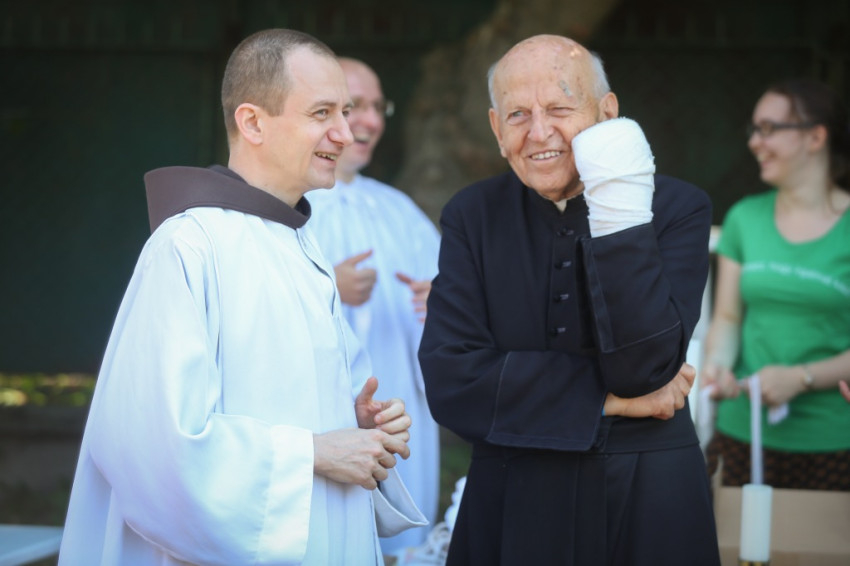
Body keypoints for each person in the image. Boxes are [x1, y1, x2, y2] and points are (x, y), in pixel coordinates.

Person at [58, 29, 426, 566]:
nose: (346, 134)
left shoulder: (300, 243)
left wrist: (356, 423)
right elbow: (155, 441)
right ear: (252, 122)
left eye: (345, 113)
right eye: (322, 113)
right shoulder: (189, 246)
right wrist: (314, 452)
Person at [418, 34, 719, 566]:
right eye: (518, 115)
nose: (539, 133)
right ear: (496, 129)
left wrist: (618, 202)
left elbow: (645, 368)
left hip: (647, 491)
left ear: (608, 114)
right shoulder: (472, 214)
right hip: (512, 490)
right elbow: (452, 384)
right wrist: (611, 401)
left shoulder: (677, 208)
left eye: (559, 109)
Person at [306, 57, 441, 555]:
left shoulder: (399, 211)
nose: (369, 121)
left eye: (377, 107)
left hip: (399, 417)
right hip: (319, 426)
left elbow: (454, 312)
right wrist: (324, 286)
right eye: (353, 106)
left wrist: (447, 302)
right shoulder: (291, 207)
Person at [702, 78, 850, 490]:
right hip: (741, 433)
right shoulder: (744, 218)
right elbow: (728, 318)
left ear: (815, 137)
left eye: (768, 129)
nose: (755, 142)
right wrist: (718, 365)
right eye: (754, 129)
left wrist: (801, 377)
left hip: (833, 442)